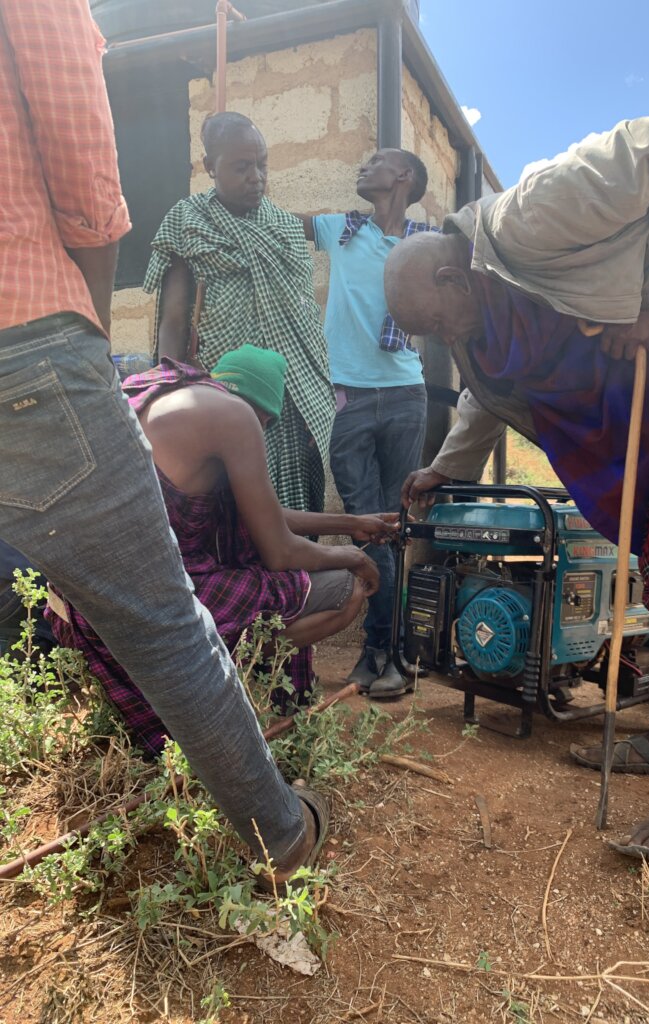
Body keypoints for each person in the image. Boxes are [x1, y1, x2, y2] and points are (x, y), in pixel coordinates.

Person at [385, 110, 649, 864]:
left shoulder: (531, 217)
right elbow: (487, 396)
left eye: (438, 321)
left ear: (450, 274)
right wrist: (447, 471)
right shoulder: (482, 322)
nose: (446, 341)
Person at [0, 0, 324, 883]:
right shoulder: (223, 413)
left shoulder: (196, 399)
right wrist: (89, 339)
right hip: (28, 340)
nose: (254, 176)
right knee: (165, 622)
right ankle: (280, 831)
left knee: (27, 596)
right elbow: (85, 178)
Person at [48, 345, 393, 754]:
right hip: (152, 605)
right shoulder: (235, 417)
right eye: (267, 422)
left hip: (76, 603)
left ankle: (225, 677)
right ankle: (222, 683)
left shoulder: (157, 397)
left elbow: (263, 513)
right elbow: (279, 551)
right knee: (344, 590)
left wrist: (352, 525)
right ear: (262, 413)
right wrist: (355, 557)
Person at [145, 112, 335, 515]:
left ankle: (292, 575)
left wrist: (316, 387)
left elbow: (304, 315)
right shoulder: (187, 220)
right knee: (224, 499)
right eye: (241, 166)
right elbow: (174, 318)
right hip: (221, 386)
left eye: (262, 164)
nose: (256, 177)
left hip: (290, 390)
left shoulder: (284, 226)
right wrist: (168, 385)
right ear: (210, 167)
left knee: (292, 493)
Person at [296, 149, 435, 697]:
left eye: (376, 161)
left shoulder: (425, 245)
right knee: (365, 524)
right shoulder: (342, 231)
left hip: (405, 394)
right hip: (348, 398)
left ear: (403, 177)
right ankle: (382, 649)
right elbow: (274, 222)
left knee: (395, 527)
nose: (361, 166)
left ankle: (388, 652)